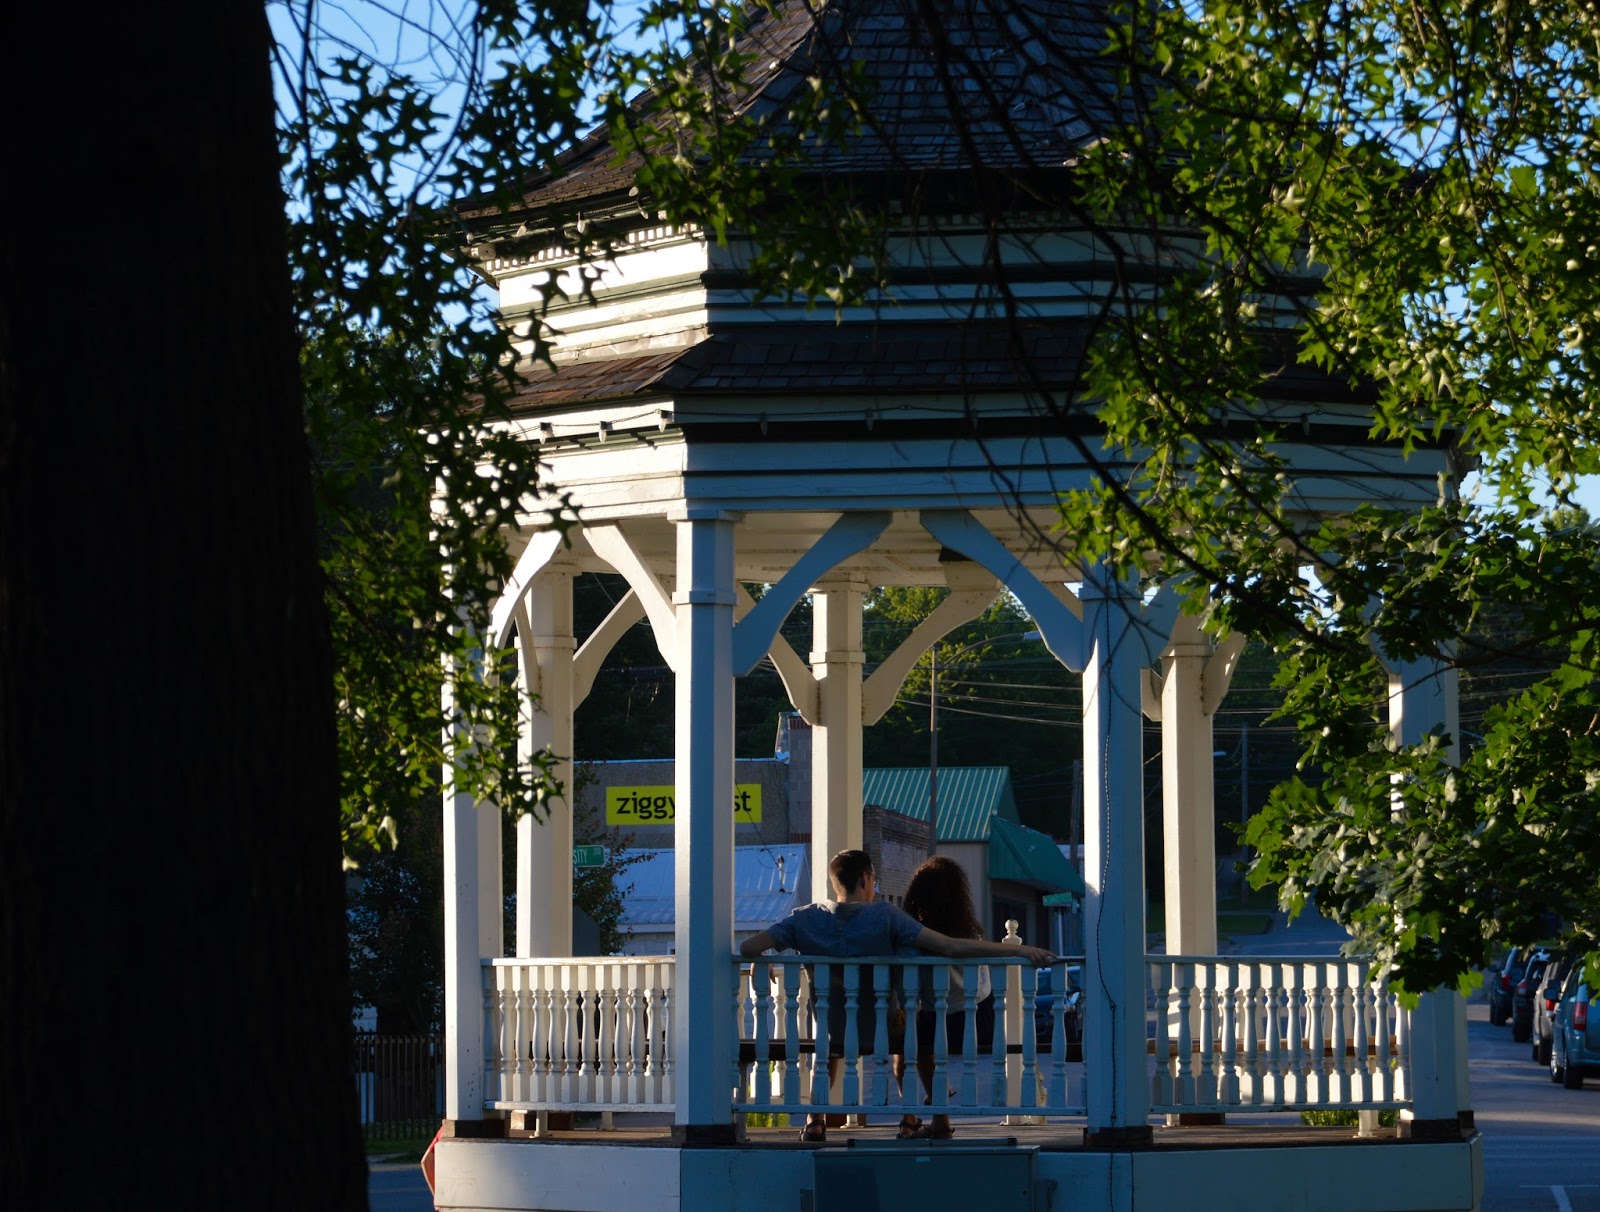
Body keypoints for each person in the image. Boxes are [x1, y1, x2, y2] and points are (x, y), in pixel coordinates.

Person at [740, 848, 1052, 1143]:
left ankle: (815, 1121)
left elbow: (749, 946)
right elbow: (951, 946)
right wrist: (1019, 949)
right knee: (915, 1024)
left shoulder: (804, 917)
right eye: (873, 879)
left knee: (827, 1031)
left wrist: (758, 959)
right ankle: (910, 1117)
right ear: (865, 879)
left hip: (831, 1031)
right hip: (883, 1031)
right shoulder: (885, 916)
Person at [896, 855, 997, 1140]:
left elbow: (909, 994)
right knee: (920, 1036)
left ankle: (918, 1117)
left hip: (941, 1020)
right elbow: (983, 987)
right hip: (979, 1020)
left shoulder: (916, 938)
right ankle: (931, 1117)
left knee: (908, 1047)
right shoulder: (971, 935)